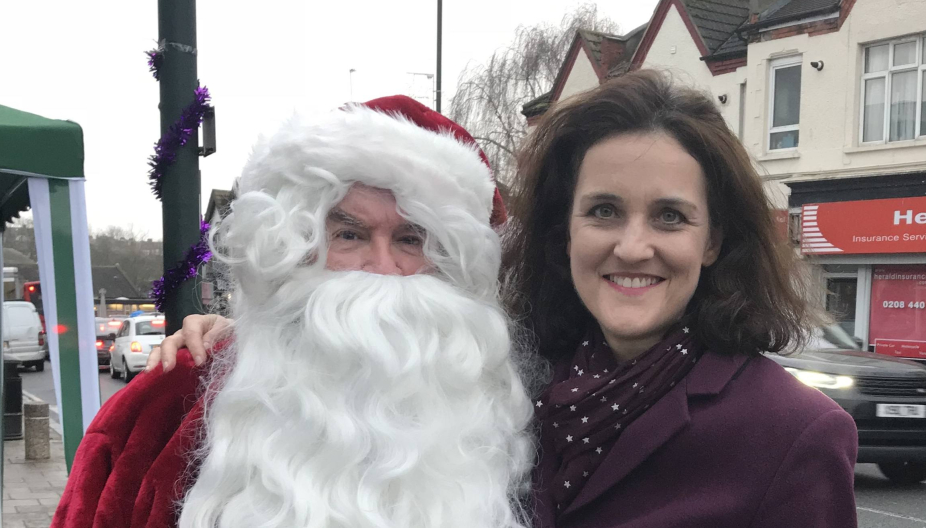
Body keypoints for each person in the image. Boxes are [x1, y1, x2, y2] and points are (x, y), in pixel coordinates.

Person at [156, 71, 859, 527]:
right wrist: (244, 329)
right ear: (563, 233)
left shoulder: (790, 434)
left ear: (713, 241)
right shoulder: (513, 384)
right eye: (605, 211)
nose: (634, 246)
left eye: (670, 217)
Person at [51, 96, 536, 528]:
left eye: (411, 240)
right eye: (349, 235)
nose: (383, 268)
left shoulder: (508, 413)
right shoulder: (164, 407)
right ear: (294, 249)